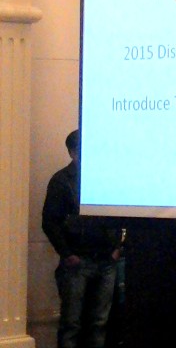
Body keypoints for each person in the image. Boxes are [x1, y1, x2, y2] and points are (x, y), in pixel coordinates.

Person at [42, 130, 124, 348]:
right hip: (78, 261)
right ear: (73, 152)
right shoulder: (62, 181)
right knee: (72, 323)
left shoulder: (106, 178)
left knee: (100, 323)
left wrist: (117, 248)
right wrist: (68, 254)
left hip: (107, 259)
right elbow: (50, 222)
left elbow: (120, 214)